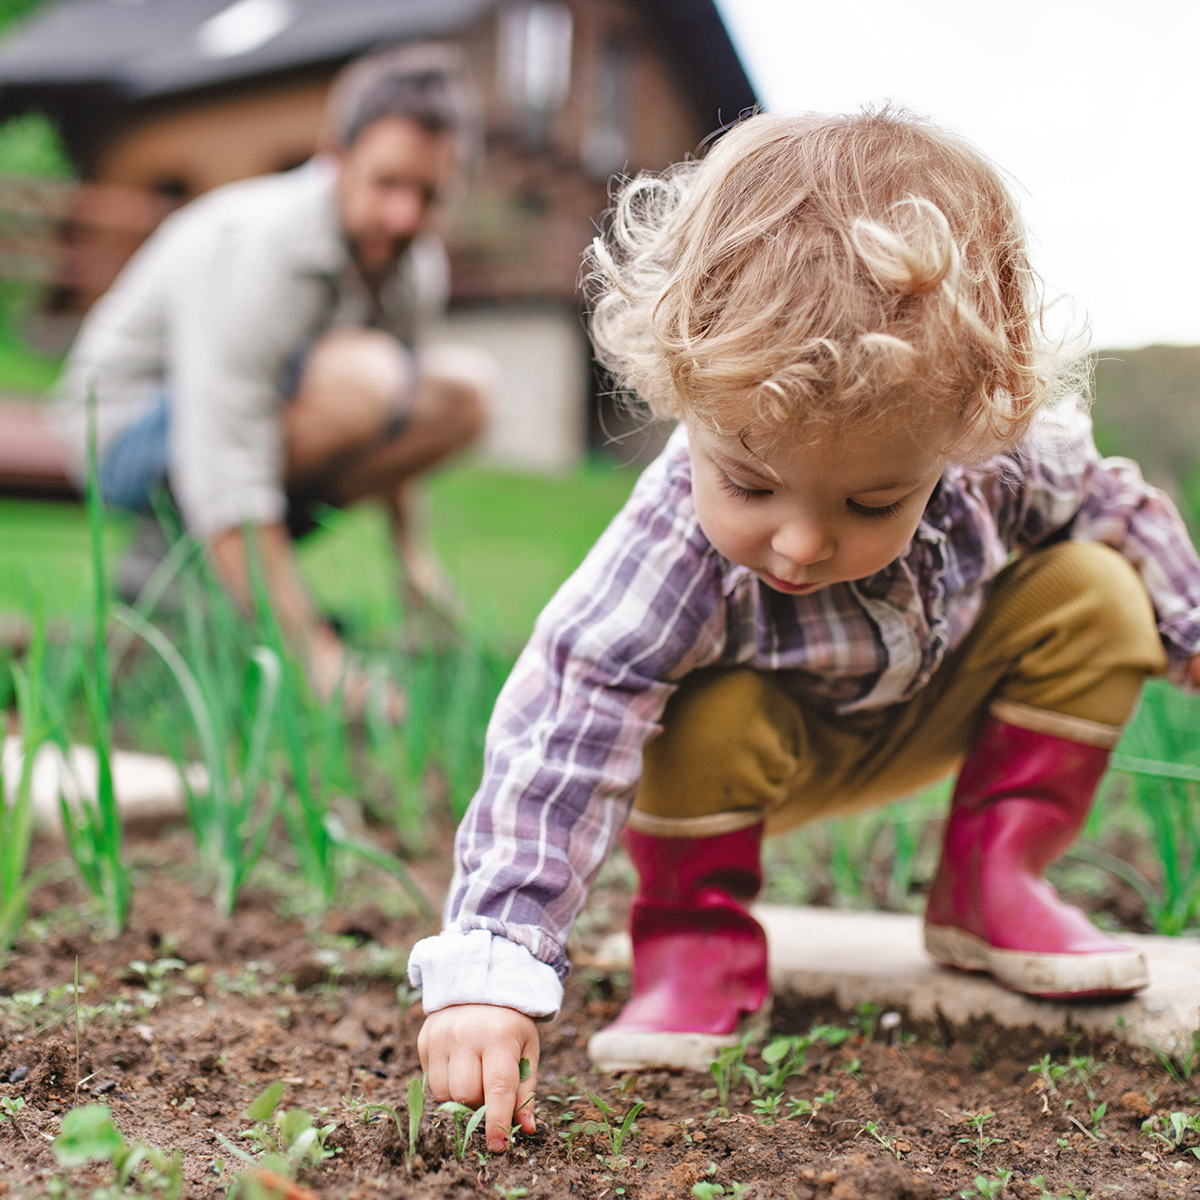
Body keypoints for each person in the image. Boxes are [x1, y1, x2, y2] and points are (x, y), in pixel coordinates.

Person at [406, 110, 1200, 1151]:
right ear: (687, 400)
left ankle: (991, 882)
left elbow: (1116, 504)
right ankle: (693, 939)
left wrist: (1187, 626)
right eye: (748, 482)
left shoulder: (992, 461)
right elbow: (565, 719)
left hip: (924, 706)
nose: (800, 541)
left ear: (960, 431)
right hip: (744, 763)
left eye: (873, 502)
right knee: (693, 702)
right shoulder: (671, 547)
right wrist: (493, 963)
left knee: (1098, 589)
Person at [55, 44, 492, 711]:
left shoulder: (413, 264)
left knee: (462, 395)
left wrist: (414, 564)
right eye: (387, 184)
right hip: (121, 430)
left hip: (245, 423)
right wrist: (315, 655)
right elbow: (224, 447)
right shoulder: (264, 247)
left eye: (429, 195)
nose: (404, 216)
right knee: (368, 376)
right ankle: (182, 567)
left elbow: (403, 419)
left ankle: (205, 574)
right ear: (335, 160)